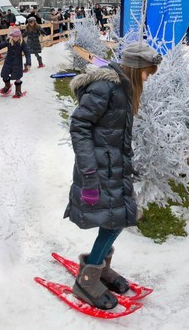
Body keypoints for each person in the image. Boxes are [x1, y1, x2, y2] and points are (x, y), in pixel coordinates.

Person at [64, 42, 161, 310]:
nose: (147, 78)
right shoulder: (106, 87)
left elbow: (115, 135)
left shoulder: (123, 88)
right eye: (147, 73)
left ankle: (101, 268)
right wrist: (89, 173)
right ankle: (87, 279)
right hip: (97, 169)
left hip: (113, 167)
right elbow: (79, 126)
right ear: (136, 68)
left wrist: (127, 164)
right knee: (114, 221)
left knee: (116, 218)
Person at [0, 28, 29, 98]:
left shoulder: (22, 43)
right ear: (11, 36)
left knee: (17, 77)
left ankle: (18, 91)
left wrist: (28, 62)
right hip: (8, 61)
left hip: (17, 62)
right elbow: (0, 46)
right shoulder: (9, 41)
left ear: (19, 36)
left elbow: (27, 52)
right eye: (13, 36)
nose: (15, 38)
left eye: (17, 37)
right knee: (4, 74)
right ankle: (7, 86)